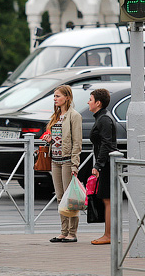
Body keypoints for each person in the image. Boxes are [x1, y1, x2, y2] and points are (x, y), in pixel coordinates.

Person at [46, 85, 83, 243]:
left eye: (58, 96)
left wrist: (75, 165)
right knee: (60, 197)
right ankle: (63, 231)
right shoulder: (55, 116)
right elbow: (57, 138)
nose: (55, 99)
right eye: (54, 96)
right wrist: (49, 140)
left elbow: (77, 142)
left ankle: (72, 233)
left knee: (70, 198)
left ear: (67, 97)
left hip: (67, 161)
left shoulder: (74, 116)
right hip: (55, 160)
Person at [88, 88, 115, 245]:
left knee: (108, 200)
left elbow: (106, 144)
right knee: (107, 199)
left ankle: (108, 235)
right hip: (106, 162)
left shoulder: (104, 119)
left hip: (107, 163)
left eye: (90, 99)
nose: (88, 102)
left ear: (98, 103)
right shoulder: (102, 117)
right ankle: (108, 234)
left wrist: (98, 165)